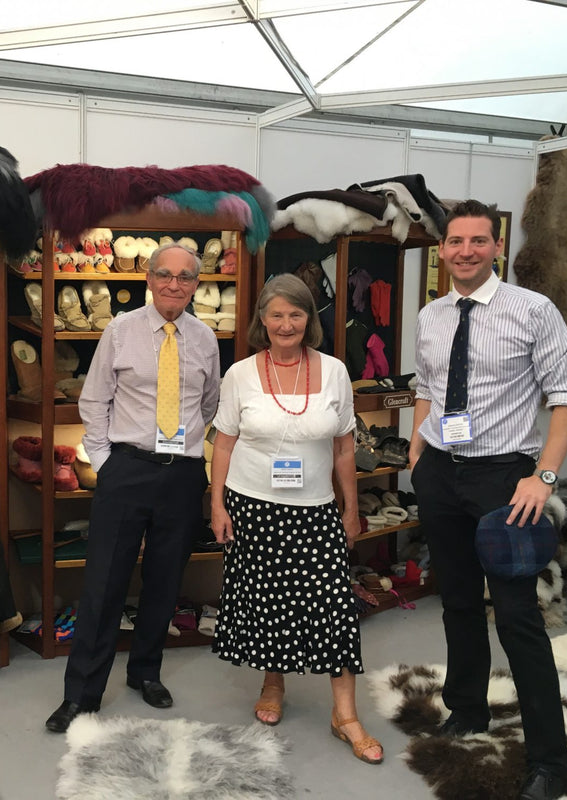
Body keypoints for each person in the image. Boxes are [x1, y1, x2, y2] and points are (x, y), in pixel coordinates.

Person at [408, 200, 567, 800]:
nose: (465, 251)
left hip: (505, 480)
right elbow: (428, 388)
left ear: (496, 247)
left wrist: (545, 478)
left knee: (516, 617)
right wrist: (416, 455)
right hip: (440, 472)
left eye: (478, 241)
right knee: (456, 600)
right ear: (443, 250)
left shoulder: (533, 311)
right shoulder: (431, 315)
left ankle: (549, 761)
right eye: (455, 241)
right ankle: (467, 709)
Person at [45, 242, 221, 733]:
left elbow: (209, 405)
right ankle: (81, 694)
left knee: (165, 582)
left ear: (195, 285)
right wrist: (105, 462)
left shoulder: (205, 338)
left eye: (185, 277)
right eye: (165, 274)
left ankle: (146, 672)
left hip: (182, 475)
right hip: (126, 469)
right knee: (104, 583)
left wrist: (186, 455)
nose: (174, 284)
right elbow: (94, 399)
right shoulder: (120, 331)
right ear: (148, 277)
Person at [210, 273, 383, 765]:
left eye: (296, 314)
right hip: (253, 505)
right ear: (261, 321)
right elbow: (223, 441)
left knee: (334, 607)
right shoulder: (240, 374)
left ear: (310, 320)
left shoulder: (333, 372)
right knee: (265, 599)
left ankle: (345, 714)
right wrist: (217, 504)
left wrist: (350, 508)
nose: (286, 324)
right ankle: (272, 685)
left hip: (314, 508)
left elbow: (345, 445)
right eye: (276, 314)